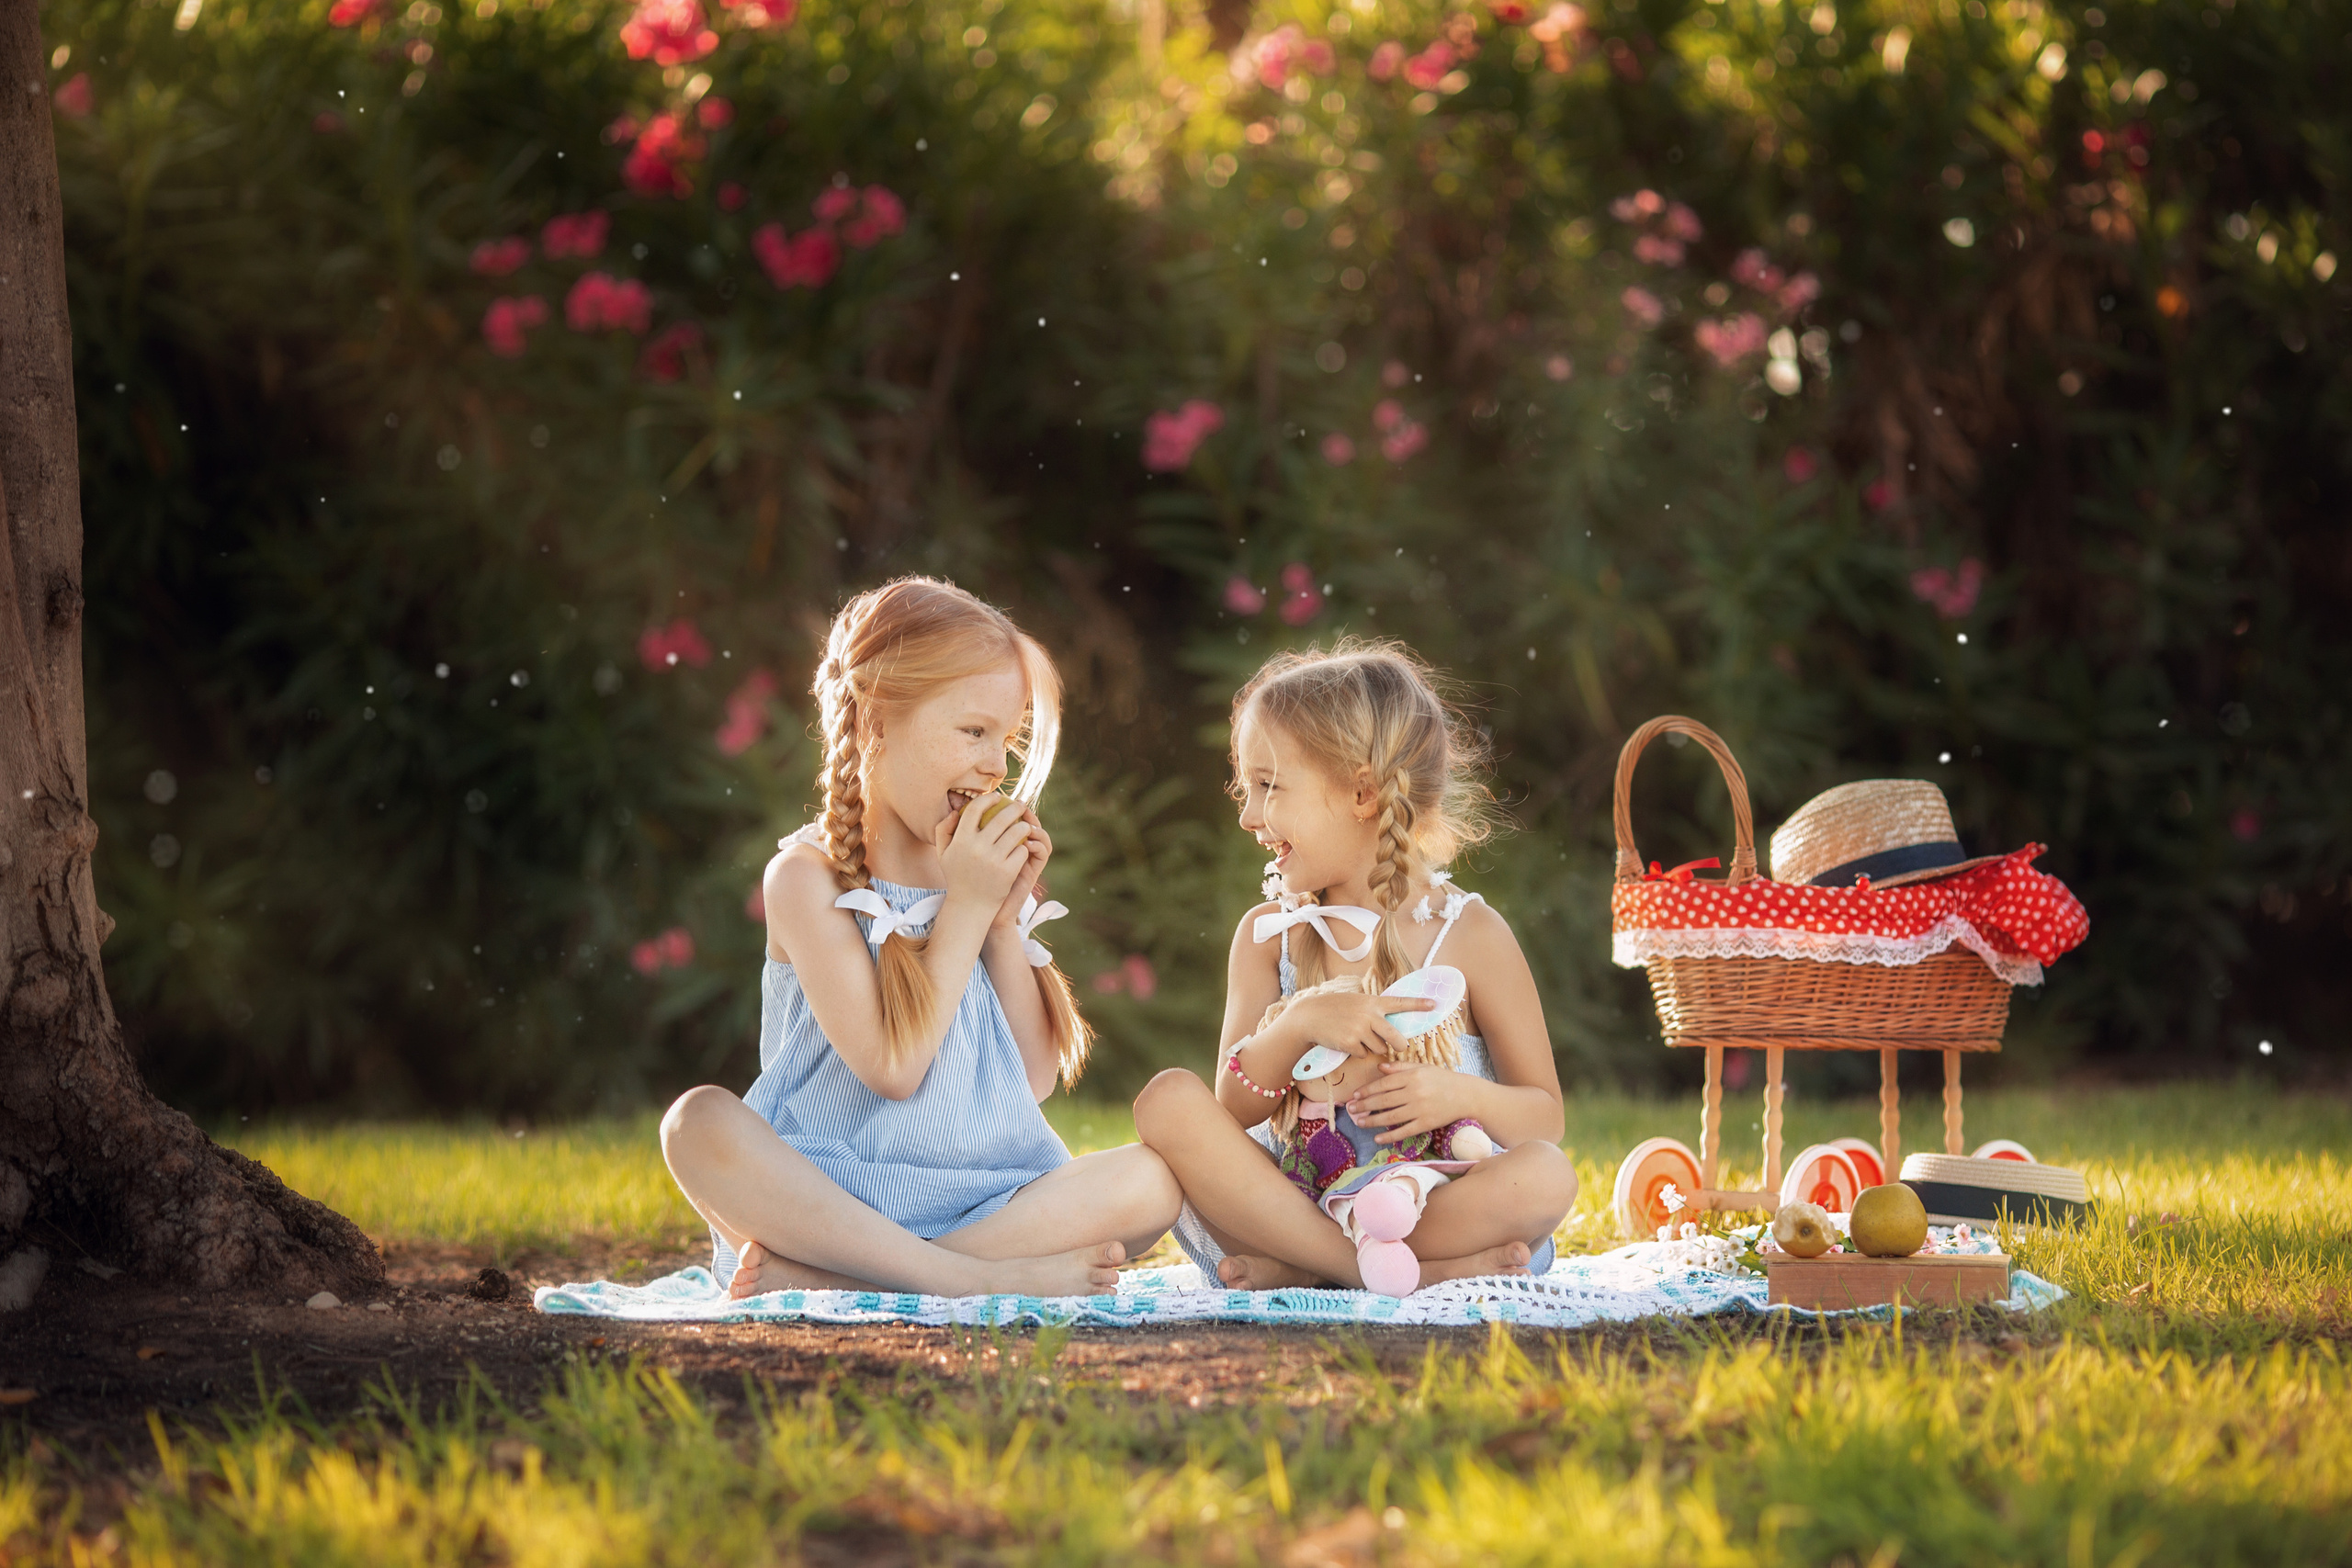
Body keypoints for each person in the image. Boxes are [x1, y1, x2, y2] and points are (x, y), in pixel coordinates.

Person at [662, 577, 1179, 1299]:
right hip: (830, 1200)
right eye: (974, 731)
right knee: (697, 1122)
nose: (997, 765)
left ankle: (849, 1281)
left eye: (1008, 739)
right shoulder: (807, 882)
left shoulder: (971, 880)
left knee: (1151, 1180)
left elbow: (1029, 1082)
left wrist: (998, 922)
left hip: (984, 1200)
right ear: (875, 720)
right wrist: (964, 908)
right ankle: (959, 1278)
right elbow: (892, 1069)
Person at [1133, 639, 1577, 1291]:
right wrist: (1297, 1024)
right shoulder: (1269, 935)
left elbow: (1546, 1114)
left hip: (1429, 1200)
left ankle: (1317, 1269)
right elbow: (1231, 1111)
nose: (1248, 814)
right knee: (1168, 1102)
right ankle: (1371, 1268)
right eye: (1245, 787)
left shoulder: (1470, 932)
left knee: (1546, 1175)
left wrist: (1457, 1095)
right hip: (1298, 1200)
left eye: (1269, 786)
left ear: (1362, 793)